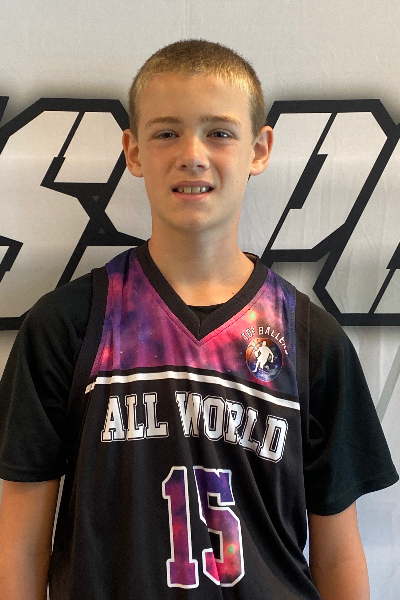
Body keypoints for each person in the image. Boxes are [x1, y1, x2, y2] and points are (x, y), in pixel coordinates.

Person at [0, 39, 397, 600]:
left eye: (219, 133)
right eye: (166, 133)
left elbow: (337, 554)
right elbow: (19, 545)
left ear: (259, 149)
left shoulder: (312, 340)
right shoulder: (68, 325)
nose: (192, 154)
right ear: (133, 151)